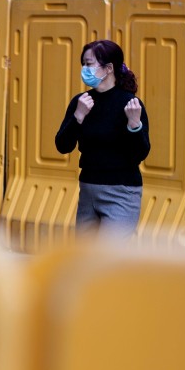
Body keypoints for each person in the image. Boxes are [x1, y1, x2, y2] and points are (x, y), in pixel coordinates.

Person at [55, 40, 150, 238]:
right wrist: (78, 117)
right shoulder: (81, 102)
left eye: (89, 64)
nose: (84, 69)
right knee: (86, 258)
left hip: (122, 192)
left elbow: (140, 153)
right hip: (88, 190)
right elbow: (62, 146)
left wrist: (134, 125)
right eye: (83, 64)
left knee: (110, 256)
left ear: (108, 68)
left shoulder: (130, 103)